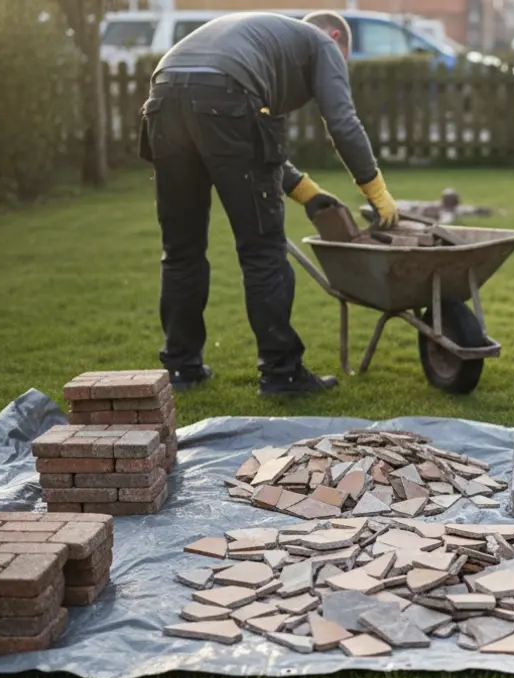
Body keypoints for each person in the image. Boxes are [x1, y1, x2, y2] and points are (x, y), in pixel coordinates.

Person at [139, 11, 398, 396]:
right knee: (262, 250)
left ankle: (181, 367)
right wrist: (376, 190)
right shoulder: (322, 43)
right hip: (224, 94)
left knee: (181, 249)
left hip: (162, 98)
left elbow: (252, 146)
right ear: (334, 36)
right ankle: (282, 373)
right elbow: (341, 122)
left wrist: (306, 192)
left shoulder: (265, 41)